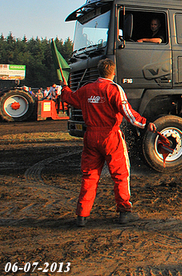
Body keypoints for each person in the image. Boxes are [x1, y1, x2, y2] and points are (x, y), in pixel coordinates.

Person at [61, 58, 156, 227]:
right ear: (113, 73)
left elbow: (71, 99)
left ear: (99, 72)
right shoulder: (114, 89)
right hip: (110, 136)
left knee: (89, 175)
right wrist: (145, 124)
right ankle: (124, 212)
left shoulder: (86, 89)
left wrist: (65, 90)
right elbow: (127, 111)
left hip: (90, 136)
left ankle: (82, 215)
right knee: (120, 174)